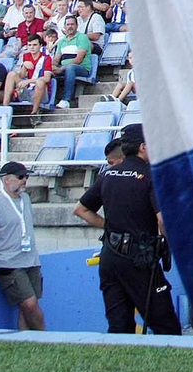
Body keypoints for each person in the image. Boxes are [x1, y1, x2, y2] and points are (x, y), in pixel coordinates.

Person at [73, 124, 182, 336]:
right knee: (165, 325)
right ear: (142, 146)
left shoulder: (108, 175)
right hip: (139, 259)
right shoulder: (150, 176)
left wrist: (111, 228)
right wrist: (170, 243)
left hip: (110, 256)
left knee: (119, 325)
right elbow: (163, 220)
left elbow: (81, 209)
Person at [0, 160, 45, 330]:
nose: (25, 180)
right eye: (21, 177)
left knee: (26, 308)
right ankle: (45, 337)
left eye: (26, 177)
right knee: (29, 304)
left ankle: (25, 340)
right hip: (9, 263)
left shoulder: (26, 199)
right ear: (7, 179)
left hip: (30, 260)